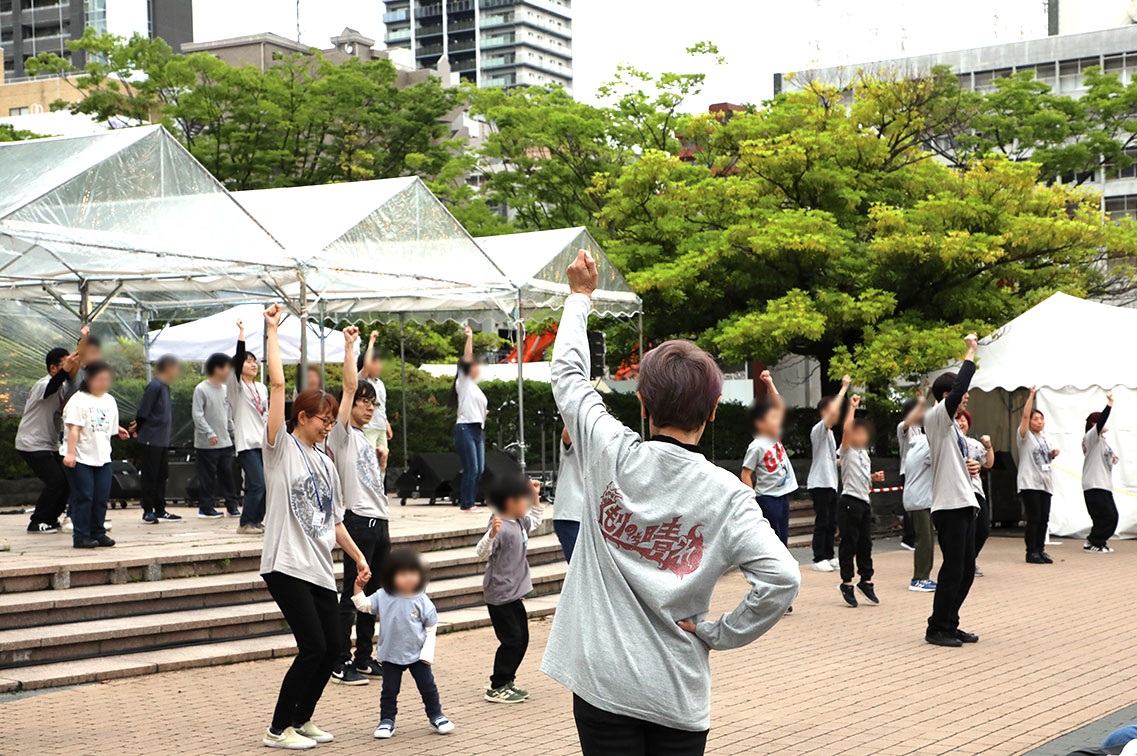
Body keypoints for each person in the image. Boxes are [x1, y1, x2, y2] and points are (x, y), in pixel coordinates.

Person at [542, 250, 799, 756]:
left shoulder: (608, 449)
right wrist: (717, 633)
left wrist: (578, 298)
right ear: (710, 412)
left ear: (642, 404)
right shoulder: (729, 494)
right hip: (678, 692)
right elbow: (783, 578)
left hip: (603, 683)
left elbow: (568, 379)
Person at [258, 304, 372, 751]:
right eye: (323, 419)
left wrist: (359, 558)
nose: (329, 425)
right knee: (311, 648)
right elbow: (277, 383)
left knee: (331, 651)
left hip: (320, 567)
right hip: (286, 564)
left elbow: (335, 520)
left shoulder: (325, 462)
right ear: (301, 417)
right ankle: (277, 728)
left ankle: (302, 720)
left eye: (330, 419)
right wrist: (271, 332)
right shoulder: (280, 449)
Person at [328, 328, 391, 686]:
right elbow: (349, 386)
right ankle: (341, 660)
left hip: (379, 521)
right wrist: (351, 346)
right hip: (357, 521)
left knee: (376, 592)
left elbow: (370, 483)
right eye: (363, 401)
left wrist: (380, 463)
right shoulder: (341, 433)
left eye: (373, 403)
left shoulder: (366, 441)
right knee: (352, 591)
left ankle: (365, 656)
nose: (368, 407)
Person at [352, 549, 454, 739]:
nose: (408, 578)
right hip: (391, 654)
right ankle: (386, 721)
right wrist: (358, 586)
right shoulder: (383, 595)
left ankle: (437, 716)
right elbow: (363, 605)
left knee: (428, 687)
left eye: (412, 573)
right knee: (389, 690)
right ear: (391, 576)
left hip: (417, 656)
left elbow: (431, 628)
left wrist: (427, 654)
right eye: (402, 574)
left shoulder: (423, 601)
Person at [924, 333, 981, 648]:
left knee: (966, 570)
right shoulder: (935, 418)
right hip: (948, 506)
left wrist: (969, 467)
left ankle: (951, 622)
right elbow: (959, 386)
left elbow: (952, 461)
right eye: (962, 398)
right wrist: (970, 352)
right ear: (947, 396)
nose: (964, 401)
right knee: (953, 568)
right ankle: (937, 628)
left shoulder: (952, 430)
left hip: (964, 501)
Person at [479, 473, 543, 704]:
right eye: (523, 500)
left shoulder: (519, 521)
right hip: (499, 593)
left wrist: (535, 496)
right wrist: (491, 535)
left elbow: (536, 519)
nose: (526, 505)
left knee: (522, 638)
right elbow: (481, 552)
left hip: (514, 592)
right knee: (512, 640)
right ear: (509, 502)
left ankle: (507, 681)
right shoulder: (499, 525)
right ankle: (497, 686)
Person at [60, 361, 129, 549]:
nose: (104, 383)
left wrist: (119, 430)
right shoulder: (78, 400)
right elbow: (74, 429)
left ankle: (98, 532)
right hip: (80, 457)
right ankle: (81, 536)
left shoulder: (109, 400)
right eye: (100, 379)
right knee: (84, 496)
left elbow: (106, 424)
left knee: (100, 497)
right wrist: (70, 454)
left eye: (107, 379)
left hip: (102, 457)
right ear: (89, 379)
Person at [16, 346, 79, 533]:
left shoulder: (62, 388)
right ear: (53, 368)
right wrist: (67, 369)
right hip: (32, 443)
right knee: (56, 481)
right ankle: (37, 521)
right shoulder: (45, 384)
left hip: (49, 444)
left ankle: (51, 520)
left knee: (67, 479)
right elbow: (53, 384)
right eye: (64, 365)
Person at [837, 395, 885, 608]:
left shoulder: (865, 454)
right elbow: (846, 429)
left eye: (865, 434)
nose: (862, 436)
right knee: (850, 542)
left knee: (866, 543)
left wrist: (873, 478)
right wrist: (852, 408)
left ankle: (866, 580)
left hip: (864, 502)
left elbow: (862, 478)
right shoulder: (847, 451)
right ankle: (847, 582)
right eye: (859, 432)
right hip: (849, 501)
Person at [741, 370, 796, 547]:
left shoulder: (775, 436)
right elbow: (746, 473)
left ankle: (781, 571)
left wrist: (769, 383)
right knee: (773, 540)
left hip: (782, 496)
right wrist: (753, 499)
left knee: (783, 539)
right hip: (768, 498)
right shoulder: (757, 446)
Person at [806, 374, 851, 572]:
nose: (837, 413)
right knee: (823, 521)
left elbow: (833, 460)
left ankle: (829, 555)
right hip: (819, 483)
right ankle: (818, 558)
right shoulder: (819, 429)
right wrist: (843, 389)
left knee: (832, 522)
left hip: (830, 483)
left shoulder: (830, 433)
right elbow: (832, 410)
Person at [229, 319, 269, 534]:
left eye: (255, 361)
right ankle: (245, 523)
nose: (253, 364)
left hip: (263, 442)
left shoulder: (262, 388)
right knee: (257, 484)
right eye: (248, 361)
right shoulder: (236, 387)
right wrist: (242, 334)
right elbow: (235, 365)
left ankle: (256, 520)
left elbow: (267, 414)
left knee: (268, 485)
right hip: (246, 443)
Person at [133, 355, 182, 524]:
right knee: (150, 476)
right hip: (151, 439)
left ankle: (160, 509)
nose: (177, 372)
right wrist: (138, 429)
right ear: (168, 368)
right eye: (175, 368)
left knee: (162, 476)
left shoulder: (165, 387)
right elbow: (143, 411)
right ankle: (148, 510)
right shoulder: (154, 386)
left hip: (162, 440)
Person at [192, 352, 239, 519]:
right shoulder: (201, 389)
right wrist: (209, 433)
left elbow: (227, 415)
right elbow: (197, 415)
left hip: (225, 442)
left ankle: (232, 505)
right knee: (208, 477)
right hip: (207, 444)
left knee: (228, 475)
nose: (229, 371)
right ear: (217, 369)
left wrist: (234, 434)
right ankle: (206, 507)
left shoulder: (225, 390)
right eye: (227, 368)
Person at [1018, 386, 1059, 564]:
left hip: (1045, 483)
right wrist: (1031, 396)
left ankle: (1041, 549)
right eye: (1036, 419)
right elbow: (1025, 416)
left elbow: (1045, 458)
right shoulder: (1025, 436)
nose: (1039, 422)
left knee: (1044, 518)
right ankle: (1031, 551)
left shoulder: (1045, 438)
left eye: (1042, 419)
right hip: (1030, 482)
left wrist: (1053, 454)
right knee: (1034, 517)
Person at [453, 325, 488, 512]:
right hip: (465, 428)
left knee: (479, 470)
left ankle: (470, 501)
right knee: (472, 469)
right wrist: (470, 338)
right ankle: (467, 504)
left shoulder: (475, 388)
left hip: (477, 430)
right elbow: (467, 357)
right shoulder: (463, 382)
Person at [901, 401, 936, 592]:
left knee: (927, 538)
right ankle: (919, 578)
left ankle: (924, 576)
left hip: (919, 499)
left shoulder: (920, 443)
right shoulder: (925, 446)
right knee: (925, 540)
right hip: (919, 500)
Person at [955, 408, 994, 572]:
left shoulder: (975, 444)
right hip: (957, 491)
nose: (962, 422)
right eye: (958, 419)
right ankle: (962, 562)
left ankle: (970, 559)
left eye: (964, 420)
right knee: (964, 530)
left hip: (976, 491)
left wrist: (989, 446)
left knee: (983, 529)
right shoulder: (949, 442)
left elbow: (989, 464)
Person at [1082, 393, 1118, 553]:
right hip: (1094, 483)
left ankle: (1097, 542)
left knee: (1102, 517)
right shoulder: (1091, 436)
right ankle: (1094, 541)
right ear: (1094, 423)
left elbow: (1109, 458)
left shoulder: (1102, 440)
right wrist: (1110, 404)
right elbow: (1101, 421)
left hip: (1104, 484)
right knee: (1110, 516)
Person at [360, 330, 392, 472]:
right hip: (369, 428)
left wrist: (387, 425)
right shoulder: (362, 380)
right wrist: (371, 342)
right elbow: (366, 366)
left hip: (380, 428)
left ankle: (380, 490)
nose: (379, 366)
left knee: (382, 464)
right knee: (370, 462)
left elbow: (381, 407)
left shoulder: (380, 383)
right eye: (375, 362)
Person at [897, 397, 925, 552]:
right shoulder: (903, 426)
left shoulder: (920, 428)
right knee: (910, 506)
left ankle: (914, 536)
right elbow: (906, 423)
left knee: (917, 504)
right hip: (907, 471)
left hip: (918, 472)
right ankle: (908, 538)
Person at [553, 426, 583, 562]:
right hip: (570, 516)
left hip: (587, 516)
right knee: (580, 571)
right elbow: (566, 434)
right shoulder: (575, 441)